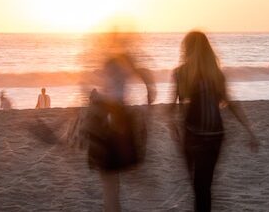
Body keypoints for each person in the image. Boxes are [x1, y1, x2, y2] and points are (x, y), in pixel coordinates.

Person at [171, 31, 259, 212]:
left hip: (193, 135)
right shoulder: (216, 74)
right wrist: (250, 130)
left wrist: (172, 126)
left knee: (198, 186)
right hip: (215, 135)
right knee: (204, 185)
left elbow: (173, 108)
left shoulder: (180, 73)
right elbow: (231, 103)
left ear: (186, 49)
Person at [85, 30, 156, 212]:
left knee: (109, 186)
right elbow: (142, 74)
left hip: (108, 122)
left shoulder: (111, 61)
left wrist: (95, 95)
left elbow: (111, 94)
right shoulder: (125, 60)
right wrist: (149, 93)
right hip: (121, 120)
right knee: (112, 185)